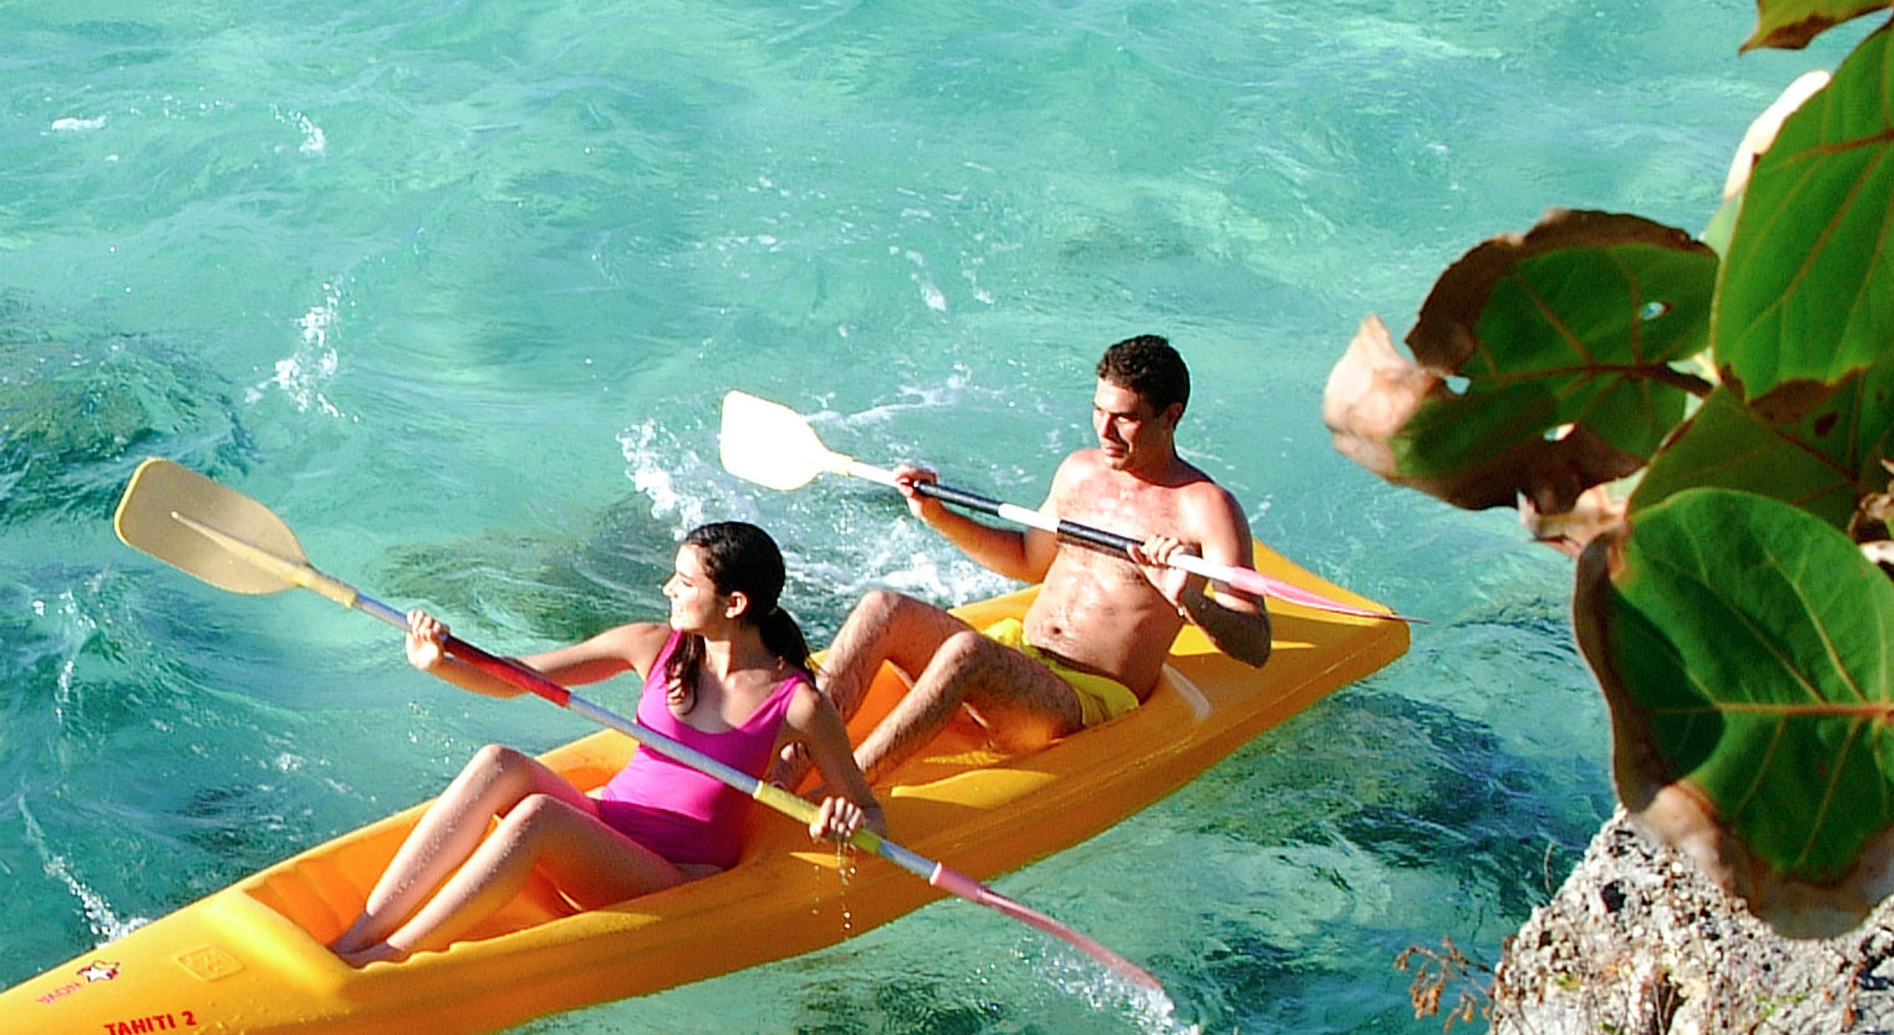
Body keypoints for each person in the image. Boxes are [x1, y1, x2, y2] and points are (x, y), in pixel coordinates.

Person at [327, 522, 880, 966]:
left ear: (734, 604)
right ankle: (361, 934)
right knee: (498, 761)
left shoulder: (796, 702)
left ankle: (395, 958)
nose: (668, 588)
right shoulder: (654, 646)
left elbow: (867, 811)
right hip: (607, 825)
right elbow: (516, 677)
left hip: (673, 874)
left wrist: (844, 822)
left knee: (539, 815)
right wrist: (440, 663)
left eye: (685, 583)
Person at [813, 335, 1271, 783]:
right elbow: (1028, 559)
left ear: (1171, 416)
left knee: (968, 652)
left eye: (1124, 419)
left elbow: (1255, 644)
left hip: (1082, 699)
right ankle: (785, 763)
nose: (1105, 432)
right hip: (1021, 658)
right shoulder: (1079, 470)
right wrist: (937, 515)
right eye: (1098, 412)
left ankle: (847, 787)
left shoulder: (1206, 507)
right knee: (882, 608)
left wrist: (1187, 598)